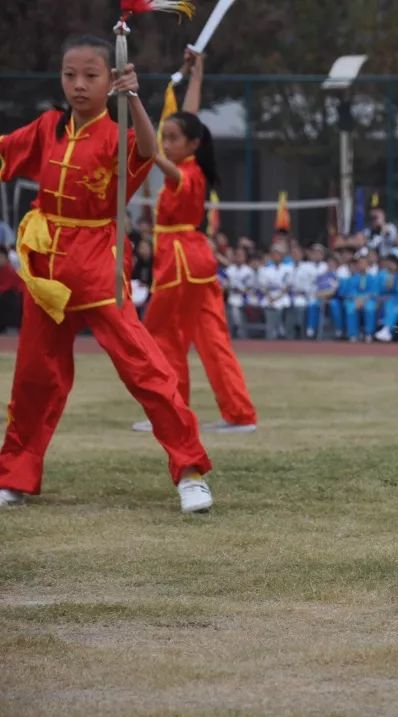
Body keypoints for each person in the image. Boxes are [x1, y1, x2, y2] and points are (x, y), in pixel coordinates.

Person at [0, 35, 212, 512]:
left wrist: (133, 96)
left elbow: (149, 149)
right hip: (45, 268)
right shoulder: (47, 128)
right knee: (35, 378)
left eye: (91, 76)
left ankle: (190, 471)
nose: (78, 85)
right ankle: (14, 475)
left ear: (110, 79)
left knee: (147, 370)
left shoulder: (119, 136)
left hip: (97, 263)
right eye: (70, 75)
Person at [136, 49, 257, 435]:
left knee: (164, 337)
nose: (166, 142)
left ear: (190, 144)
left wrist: (144, 132)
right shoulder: (194, 165)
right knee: (211, 339)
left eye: (172, 139)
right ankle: (239, 414)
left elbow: (162, 155)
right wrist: (197, 77)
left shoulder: (184, 173)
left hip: (179, 262)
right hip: (197, 260)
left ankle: (171, 413)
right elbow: (189, 122)